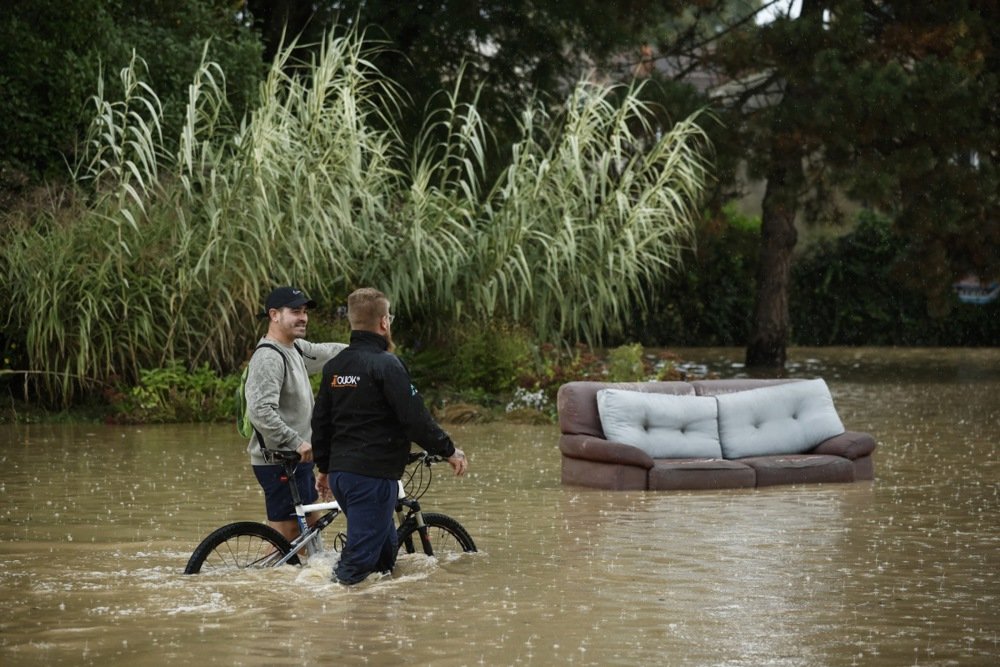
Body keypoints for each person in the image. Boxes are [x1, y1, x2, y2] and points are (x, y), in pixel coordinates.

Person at [312, 287, 467, 585]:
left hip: (343, 477)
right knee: (356, 565)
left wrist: (325, 468)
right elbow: (415, 419)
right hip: (371, 478)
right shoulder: (386, 364)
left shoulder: (335, 367)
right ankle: (324, 609)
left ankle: (379, 611)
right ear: (384, 322)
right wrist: (449, 450)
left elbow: (321, 423)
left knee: (383, 558)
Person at [245, 286, 346, 543]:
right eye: (295, 312)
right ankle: (264, 572)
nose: (303, 318)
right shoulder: (269, 357)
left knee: (308, 538)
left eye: (304, 312)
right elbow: (260, 411)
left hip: (298, 460)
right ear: (274, 315)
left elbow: (328, 352)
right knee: (286, 539)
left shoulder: (297, 348)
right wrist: (296, 442)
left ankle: (298, 570)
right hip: (280, 461)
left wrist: (367, 349)